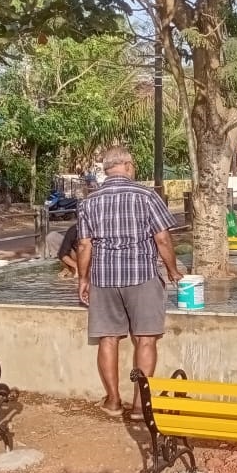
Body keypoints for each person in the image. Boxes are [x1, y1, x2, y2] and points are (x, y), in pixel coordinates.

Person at [75, 147, 183, 421]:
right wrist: (172, 270)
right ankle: (138, 406)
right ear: (127, 165)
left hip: (104, 278)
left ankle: (112, 401)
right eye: (132, 165)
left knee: (108, 339)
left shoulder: (89, 202)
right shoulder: (147, 196)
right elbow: (162, 239)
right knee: (145, 340)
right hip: (141, 275)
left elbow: (84, 245)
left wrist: (83, 279)